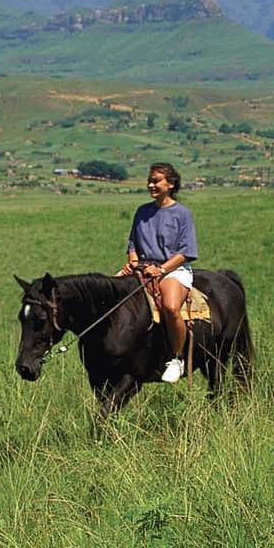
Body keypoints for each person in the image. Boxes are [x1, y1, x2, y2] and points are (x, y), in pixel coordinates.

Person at [119, 162, 198, 383]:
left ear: (170, 184)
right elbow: (133, 244)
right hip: (143, 268)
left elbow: (186, 251)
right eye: (149, 181)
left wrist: (161, 269)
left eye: (156, 181)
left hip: (172, 269)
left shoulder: (182, 214)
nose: (151, 185)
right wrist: (134, 262)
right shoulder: (142, 211)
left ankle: (177, 358)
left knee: (170, 307)